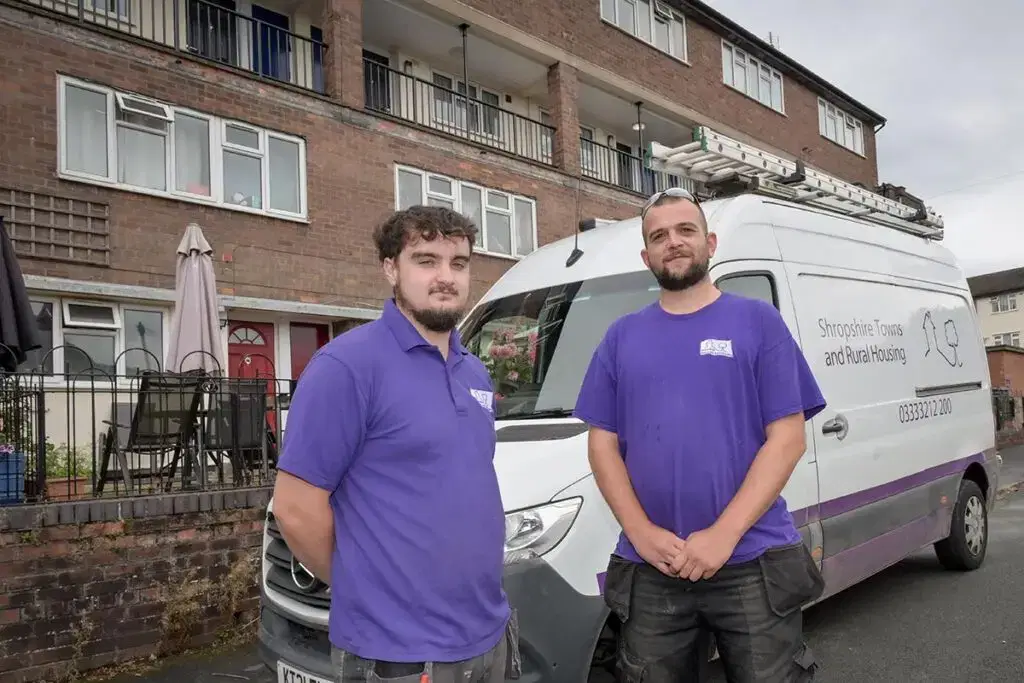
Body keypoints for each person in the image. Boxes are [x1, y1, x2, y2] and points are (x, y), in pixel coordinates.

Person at [574, 188, 827, 683]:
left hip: (752, 560)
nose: (674, 242)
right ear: (646, 255)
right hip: (654, 568)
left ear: (710, 243)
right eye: (659, 236)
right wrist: (643, 535)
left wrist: (723, 534)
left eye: (685, 230)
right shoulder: (620, 337)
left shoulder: (758, 322)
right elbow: (601, 445)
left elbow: (788, 438)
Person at [272, 205, 518, 683]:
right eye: (426, 260)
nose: (446, 276)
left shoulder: (473, 370)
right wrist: (367, 588)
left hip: (489, 636)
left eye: (459, 263)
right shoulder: (346, 367)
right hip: (399, 656)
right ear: (391, 268)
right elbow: (295, 509)